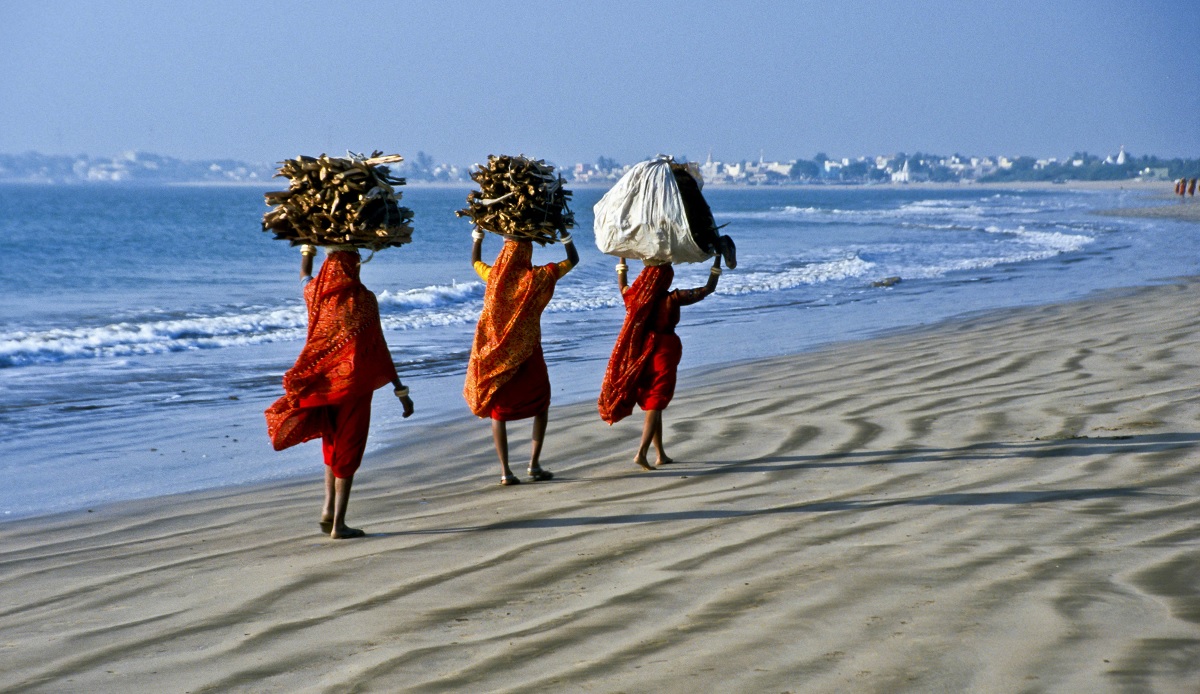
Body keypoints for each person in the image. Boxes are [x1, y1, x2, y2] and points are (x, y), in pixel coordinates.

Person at [265, 244, 414, 539]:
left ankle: (327, 508)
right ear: (354, 266)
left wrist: (307, 248)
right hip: (354, 389)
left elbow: (305, 276)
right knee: (348, 450)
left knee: (331, 447)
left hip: (321, 386)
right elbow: (380, 348)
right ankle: (339, 525)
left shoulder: (315, 295)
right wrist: (400, 390)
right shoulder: (365, 301)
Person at [464, 229, 579, 485]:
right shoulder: (538, 277)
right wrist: (564, 236)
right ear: (527, 253)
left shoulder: (493, 275)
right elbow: (573, 260)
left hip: (498, 356)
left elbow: (474, 262)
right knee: (541, 402)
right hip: (528, 352)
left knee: (499, 410)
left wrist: (477, 238)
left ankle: (505, 472)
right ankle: (534, 464)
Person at [598, 254, 722, 469]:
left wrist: (622, 256)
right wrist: (717, 262)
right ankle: (641, 453)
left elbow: (623, 283)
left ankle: (660, 454)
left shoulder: (634, 297)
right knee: (656, 400)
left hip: (642, 351)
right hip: (664, 350)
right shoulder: (672, 298)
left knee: (652, 403)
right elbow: (707, 289)